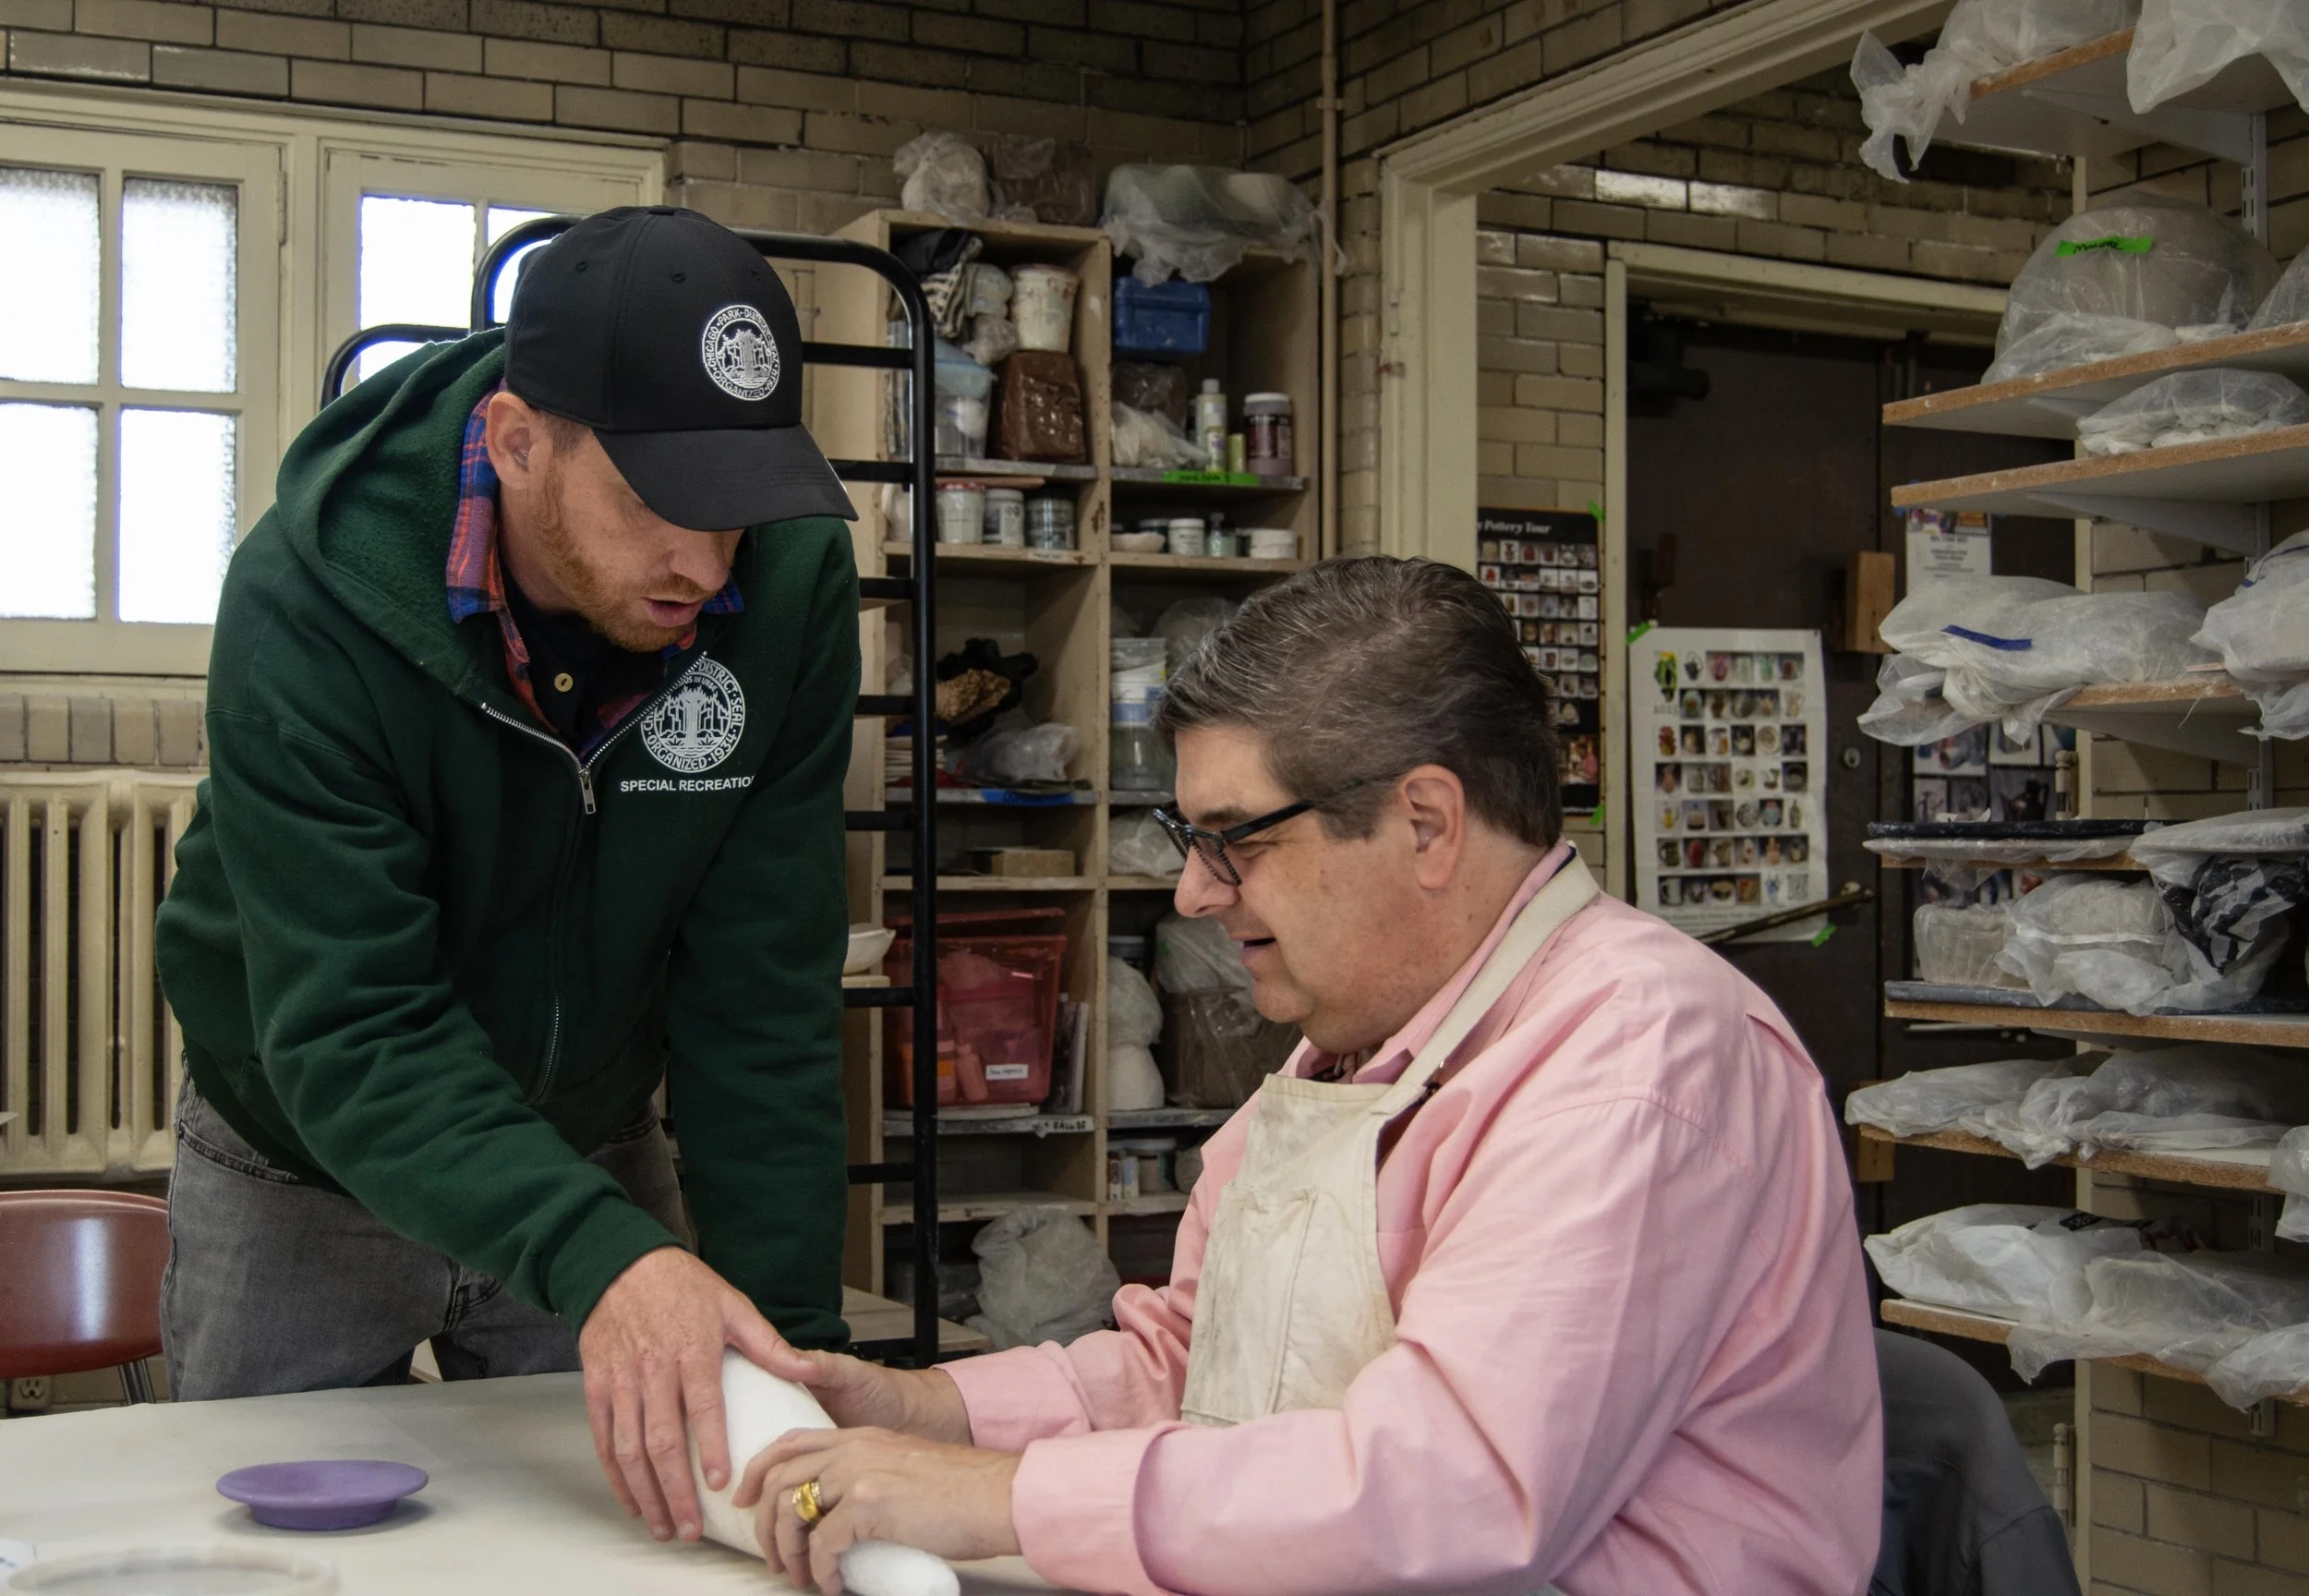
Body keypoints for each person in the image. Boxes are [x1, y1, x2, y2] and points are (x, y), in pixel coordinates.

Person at [727, 557, 1882, 1596]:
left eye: (1236, 839)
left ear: (1425, 822)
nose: (1193, 894)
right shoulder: (1370, 1039)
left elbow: (1453, 1487)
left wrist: (992, 1499)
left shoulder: (1633, 1058)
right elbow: (1197, 1364)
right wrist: (926, 1412)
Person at [153, 206, 861, 1545]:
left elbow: (758, 993)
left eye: (739, 511)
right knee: (267, 1572)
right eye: (659, 506)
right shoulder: (308, 602)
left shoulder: (793, 586)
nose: (709, 570)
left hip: (589, 1145)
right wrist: (616, 1264)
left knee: (629, 1556)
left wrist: (800, 1366)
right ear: (516, 440)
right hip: (305, 1172)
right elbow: (355, 1029)